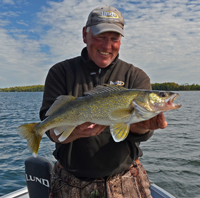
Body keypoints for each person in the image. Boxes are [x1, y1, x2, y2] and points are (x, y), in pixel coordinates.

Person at [40, 5, 167, 198]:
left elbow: (141, 135)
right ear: (85, 35)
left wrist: (142, 127)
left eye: (114, 39)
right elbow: (52, 131)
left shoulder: (136, 77)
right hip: (69, 181)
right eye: (100, 37)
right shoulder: (61, 72)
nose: (107, 46)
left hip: (126, 180)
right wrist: (73, 132)